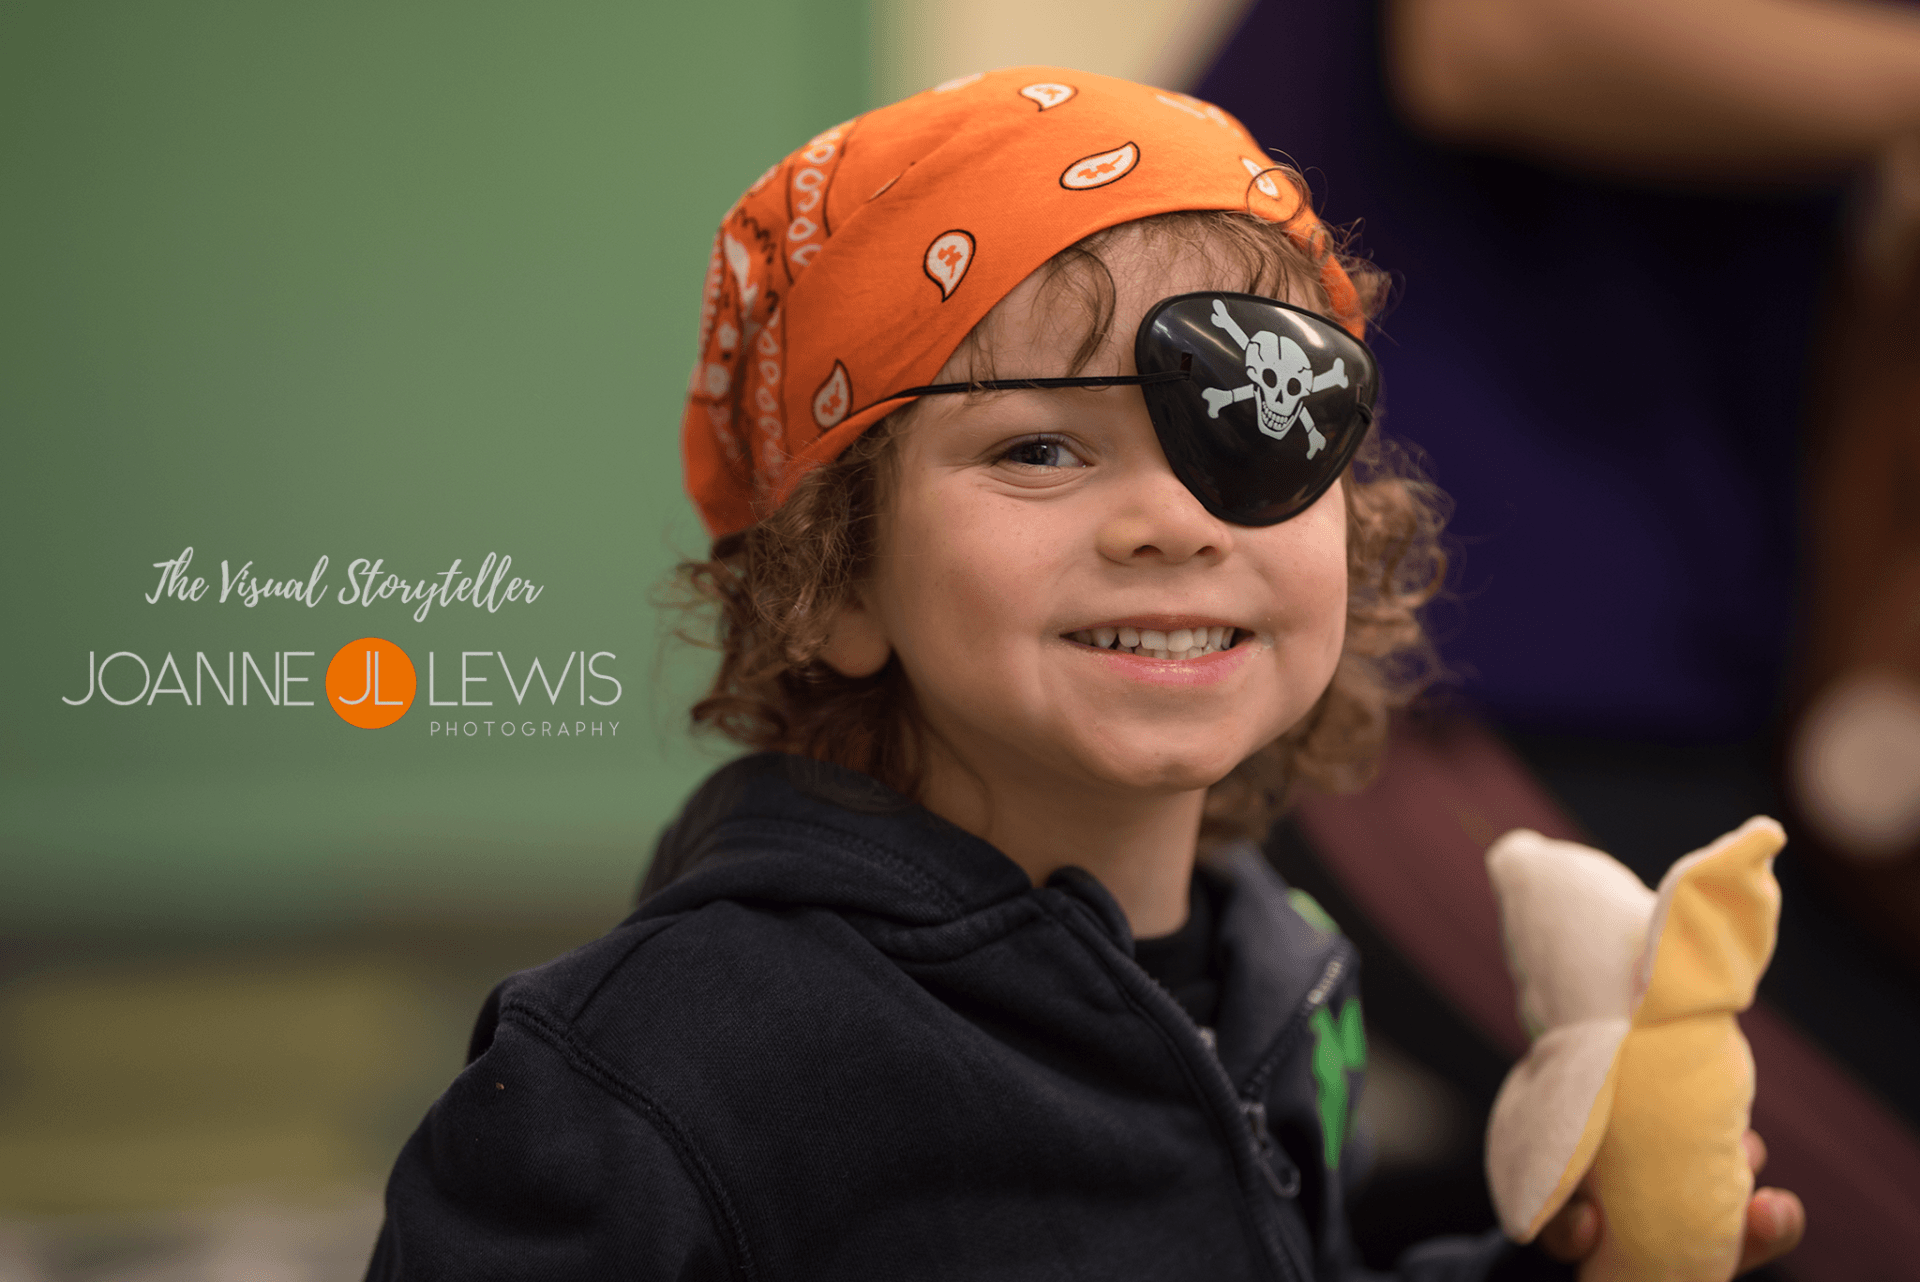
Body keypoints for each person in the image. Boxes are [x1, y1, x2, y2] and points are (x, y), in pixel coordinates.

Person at [364, 68, 1799, 1279]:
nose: (1172, 520)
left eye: (1251, 425)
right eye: (1039, 447)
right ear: (838, 575)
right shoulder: (659, 1062)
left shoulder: (1281, 962)